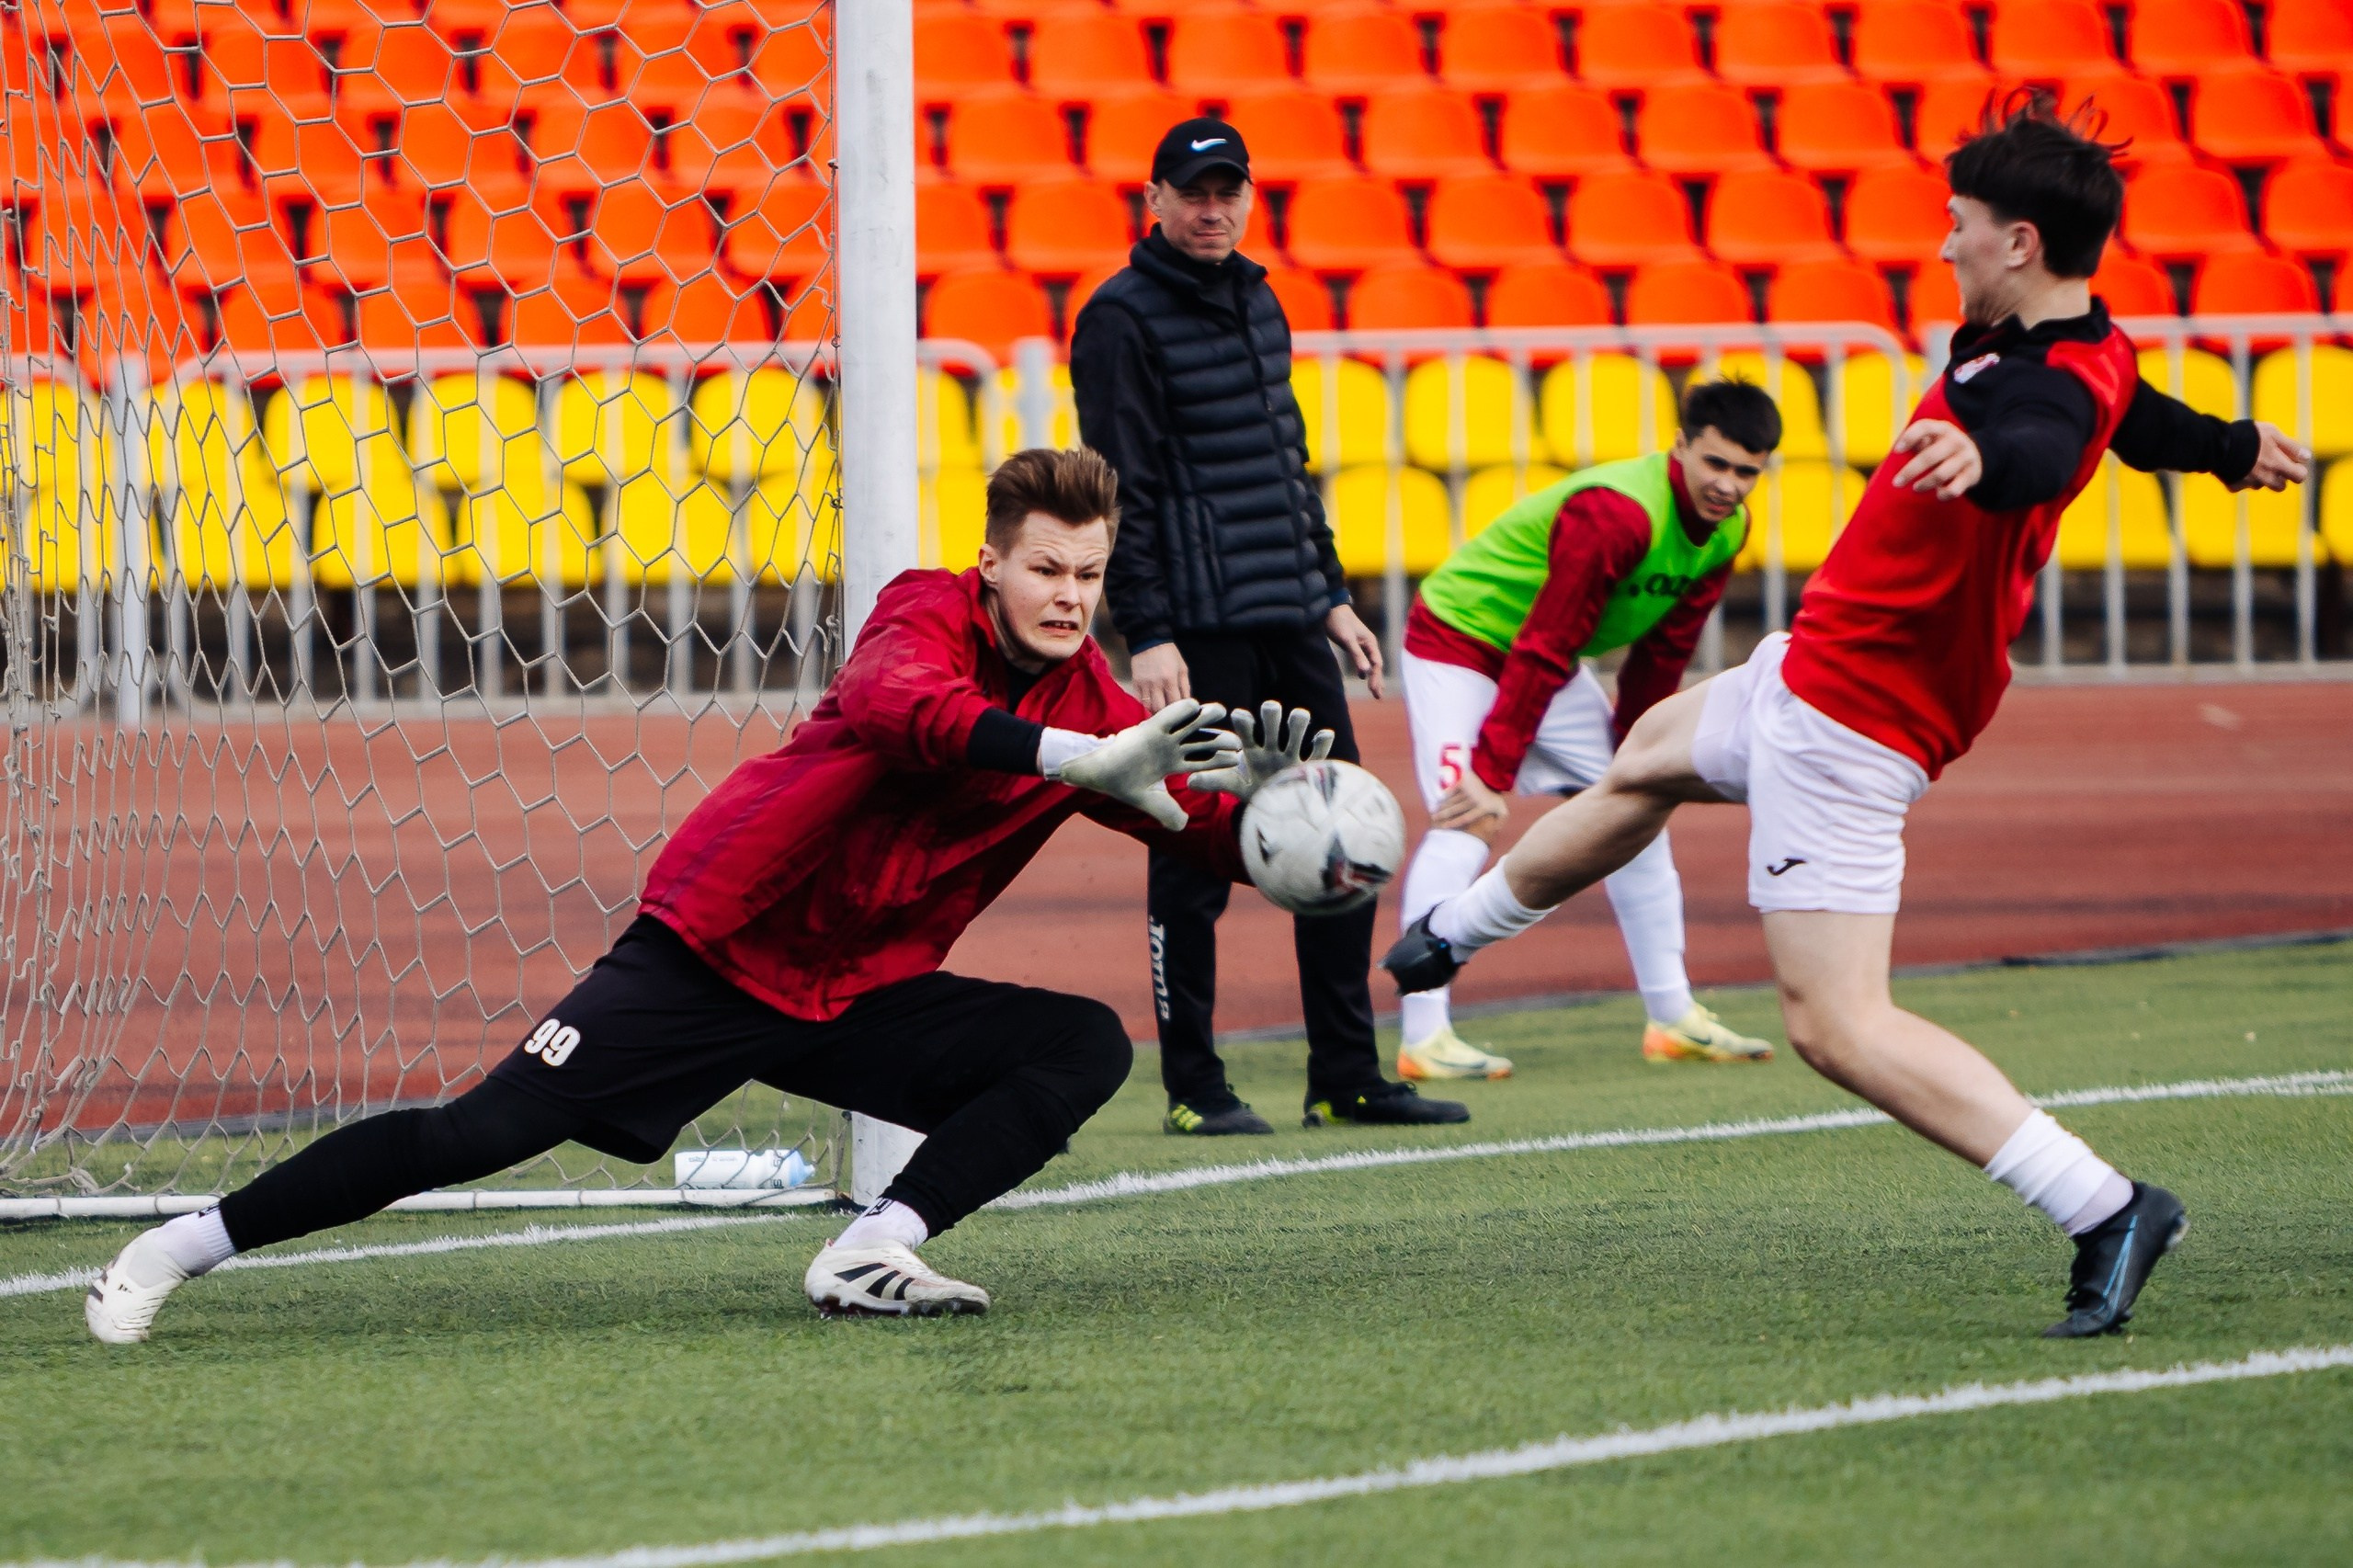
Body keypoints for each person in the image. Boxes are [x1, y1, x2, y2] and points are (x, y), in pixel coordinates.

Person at [1381, 96, 2311, 1337]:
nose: (1944, 246)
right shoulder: (2077, 343)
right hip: (1811, 664)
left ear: (2020, 243)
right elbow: (2136, 415)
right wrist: (2233, 441)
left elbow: (2049, 438)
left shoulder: (2038, 391)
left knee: (1835, 1025)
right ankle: (1449, 936)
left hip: (1857, 723)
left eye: (1961, 226)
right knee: (1642, 760)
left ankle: (2104, 1205)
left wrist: (1989, 466)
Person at [85, 449, 1334, 1341]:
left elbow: (1197, 826)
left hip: (858, 991)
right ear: (990, 566)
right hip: (718, 948)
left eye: (1089, 575)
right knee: (478, 1136)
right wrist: (1078, 761)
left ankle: (873, 1245)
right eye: (1047, 570)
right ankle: (179, 1244)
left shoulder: (1100, 710)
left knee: (1073, 1044)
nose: (1070, 597)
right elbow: (914, 716)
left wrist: (1279, 824)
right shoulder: (921, 616)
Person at [1072, 117, 1465, 1136]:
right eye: (1194, 192)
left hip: (1288, 615)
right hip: (1196, 629)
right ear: (1151, 199)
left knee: (1337, 832)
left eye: (1229, 191)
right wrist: (1145, 628)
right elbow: (1126, 487)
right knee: (1194, 853)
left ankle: (1344, 1075)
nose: (1213, 210)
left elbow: (1284, 466)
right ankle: (1195, 1086)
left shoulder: (1258, 297)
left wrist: (1329, 592)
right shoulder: (1118, 316)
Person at [1393, 380, 1783, 1082]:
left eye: (1746, 472)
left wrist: (1643, 755)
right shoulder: (1616, 515)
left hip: (1542, 657)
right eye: (1715, 464)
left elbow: (1662, 655)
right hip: (1459, 643)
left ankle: (1673, 1019)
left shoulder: (1727, 530)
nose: (1728, 485)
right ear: (1681, 447)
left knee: (1634, 807)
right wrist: (1491, 770)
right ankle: (1423, 1035)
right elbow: (1545, 643)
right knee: (1466, 816)